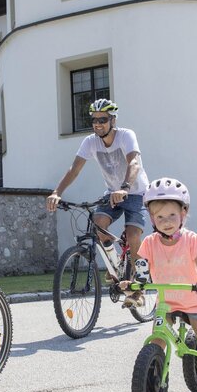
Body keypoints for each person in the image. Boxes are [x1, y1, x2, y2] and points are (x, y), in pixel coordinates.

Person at [126, 178, 197, 392]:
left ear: (183, 213)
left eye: (172, 215)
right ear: (152, 218)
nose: (166, 221)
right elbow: (141, 270)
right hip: (165, 303)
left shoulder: (192, 240)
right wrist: (134, 286)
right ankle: (151, 381)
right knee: (157, 341)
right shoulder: (149, 242)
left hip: (193, 301)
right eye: (160, 217)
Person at [46, 98, 150, 307]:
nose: (97, 124)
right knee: (98, 224)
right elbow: (74, 169)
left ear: (113, 120)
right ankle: (114, 266)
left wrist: (125, 188)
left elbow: (134, 162)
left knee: (132, 235)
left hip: (136, 192)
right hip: (112, 193)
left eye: (102, 119)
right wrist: (57, 192)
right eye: (94, 120)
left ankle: (139, 287)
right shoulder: (90, 142)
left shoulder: (126, 136)